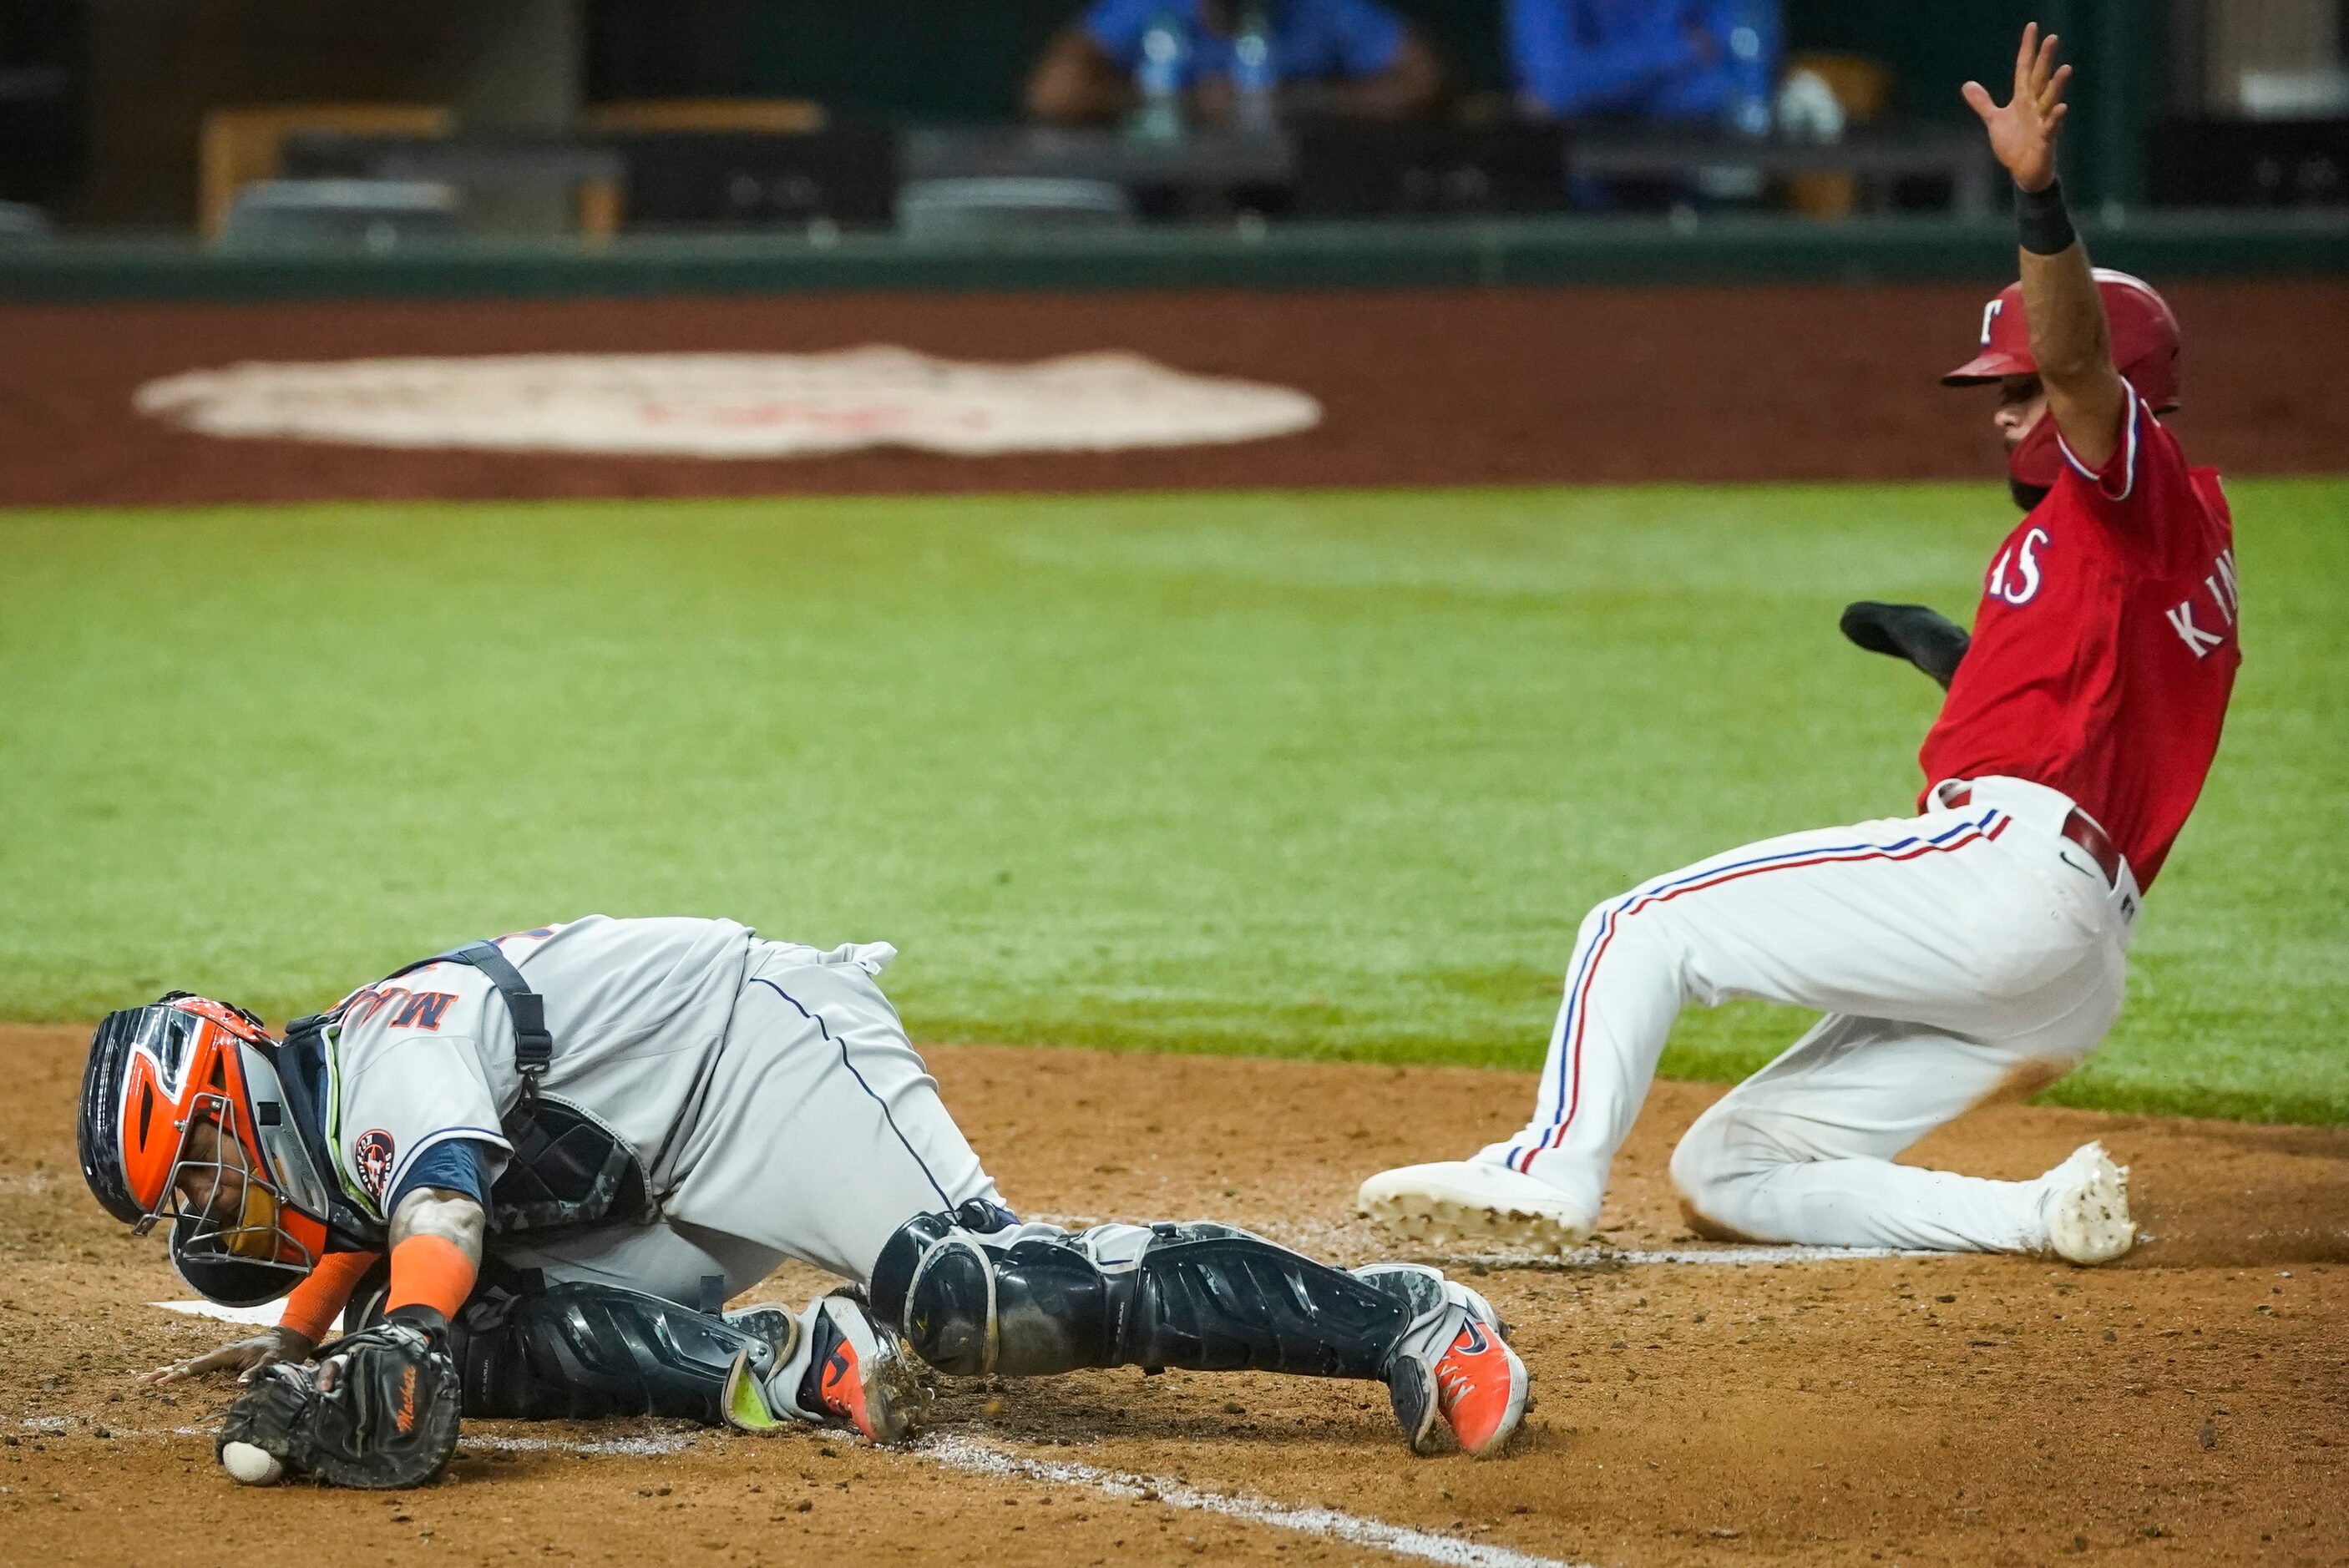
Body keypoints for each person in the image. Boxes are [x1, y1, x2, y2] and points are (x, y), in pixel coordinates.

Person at [1360, 25, 2239, 1266]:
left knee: (1640, 927)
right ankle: (2036, 1212)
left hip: (2006, 878)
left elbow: (2083, 356)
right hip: (2072, 966)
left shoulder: (2132, 489)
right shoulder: (2163, 552)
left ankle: (1547, 1166)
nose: (2003, 410)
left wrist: (2037, 194)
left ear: (2116, 399)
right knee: (1730, 1169)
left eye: (2020, 387)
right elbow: (2099, 705)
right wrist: (1963, 659)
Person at [80, 918, 1527, 1488]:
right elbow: (362, 1243)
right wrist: (307, 1352)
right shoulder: (318, 1136)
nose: (206, 1201)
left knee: (983, 1301)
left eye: (195, 1159)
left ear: (235, 1082)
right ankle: (783, 1366)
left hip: (754, 1054)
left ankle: (1400, 1319)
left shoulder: (383, 1050)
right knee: (461, 1333)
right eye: (181, 1192)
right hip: (639, 1187)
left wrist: (388, 1337)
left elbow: (442, 1217)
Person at [1026, 0, 1443, 128]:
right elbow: (1053, 94)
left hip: (1295, 203)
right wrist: (1187, 102)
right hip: (1165, 201)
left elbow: (1424, 83)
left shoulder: (1322, 8)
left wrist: (1294, 102)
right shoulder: (1153, 7)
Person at [1505, 0, 1780, 123]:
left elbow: (1736, 92)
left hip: (1698, 178)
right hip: (1578, 196)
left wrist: (1598, 89)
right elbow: (1554, 88)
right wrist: (1682, 51)